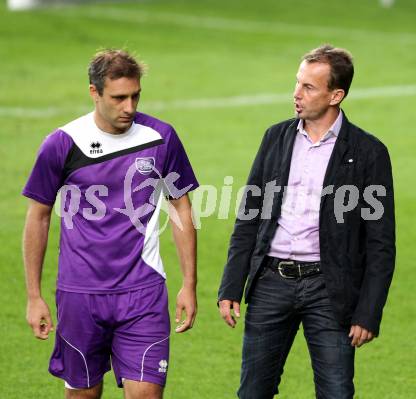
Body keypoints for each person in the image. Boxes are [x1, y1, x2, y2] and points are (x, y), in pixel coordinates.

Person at [218, 45, 395, 399]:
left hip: (330, 291)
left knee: (336, 392)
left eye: (309, 87)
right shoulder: (275, 137)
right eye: (297, 83)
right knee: (252, 392)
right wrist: (231, 286)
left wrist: (368, 312)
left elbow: (380, 243)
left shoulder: (368, 153)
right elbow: (249, 216)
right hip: (270, 283)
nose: (296, 94)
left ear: (336, 95)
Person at [22, 49, 199, 399]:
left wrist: (189, 283)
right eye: (119, 97)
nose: (129, 107)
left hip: (143, 291)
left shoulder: (161, 138)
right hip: (79, 294)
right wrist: (33, 296)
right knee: (84, 394)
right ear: (94, 92)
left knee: (147, 394)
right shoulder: (62, 143)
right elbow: (38, 216)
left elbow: (180, 206)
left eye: (135, 95)